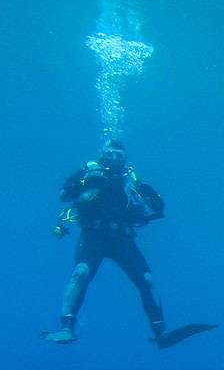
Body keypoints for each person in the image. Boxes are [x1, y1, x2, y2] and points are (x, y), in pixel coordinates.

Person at [40, 140, 214, 348]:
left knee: (146, 279)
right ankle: (66, 327)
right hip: (93, 234)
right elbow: (63, 194)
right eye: (110, 153)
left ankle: (161, 332)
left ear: (124, 158)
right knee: (81, 273)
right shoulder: (88, 173)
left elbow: (154, 207)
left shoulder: (130, 180)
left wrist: (153, 197)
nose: (114, 158)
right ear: (102, 154)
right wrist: (87, 182)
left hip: (121, 237)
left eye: (118, 155)